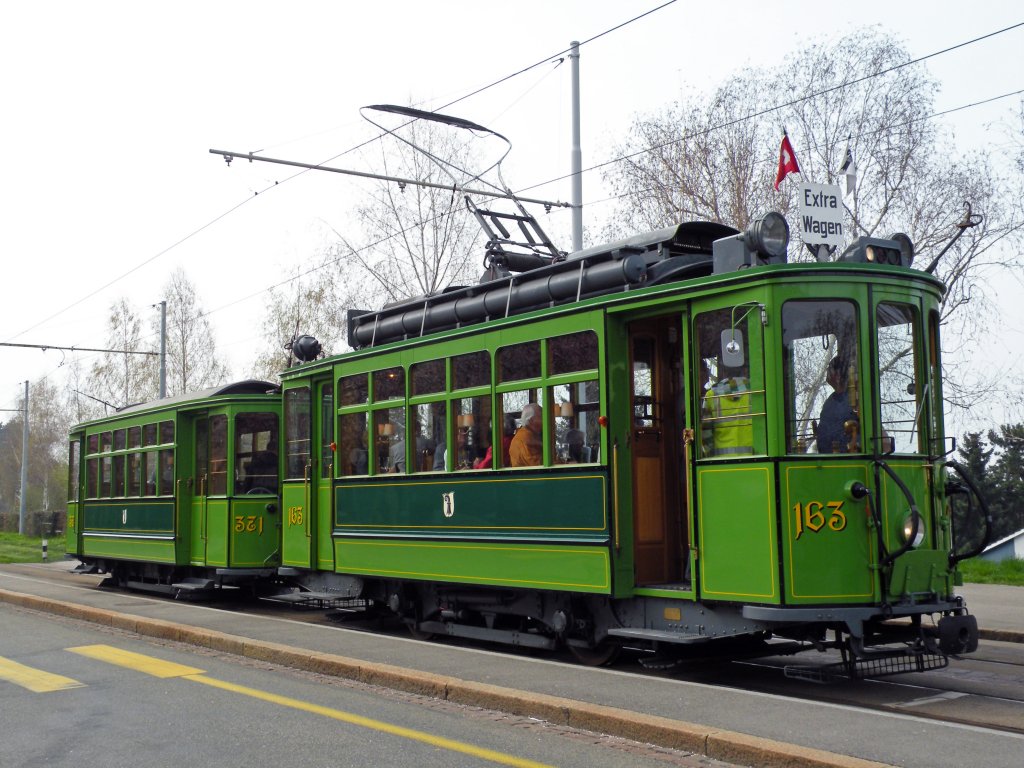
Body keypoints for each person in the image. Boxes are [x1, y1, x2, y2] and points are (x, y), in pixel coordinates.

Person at [702, 367, 753, 456]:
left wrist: (709, 456)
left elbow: (706, 434)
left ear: (723, 372)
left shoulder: (711, 395)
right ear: (745, 370)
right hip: (756, 458)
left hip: (721, 461)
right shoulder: (755, 390)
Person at [815, 356, 858, 453]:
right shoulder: (830, 401)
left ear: (838, 374)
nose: (827, 373)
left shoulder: (852, 401)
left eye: (829, 369)